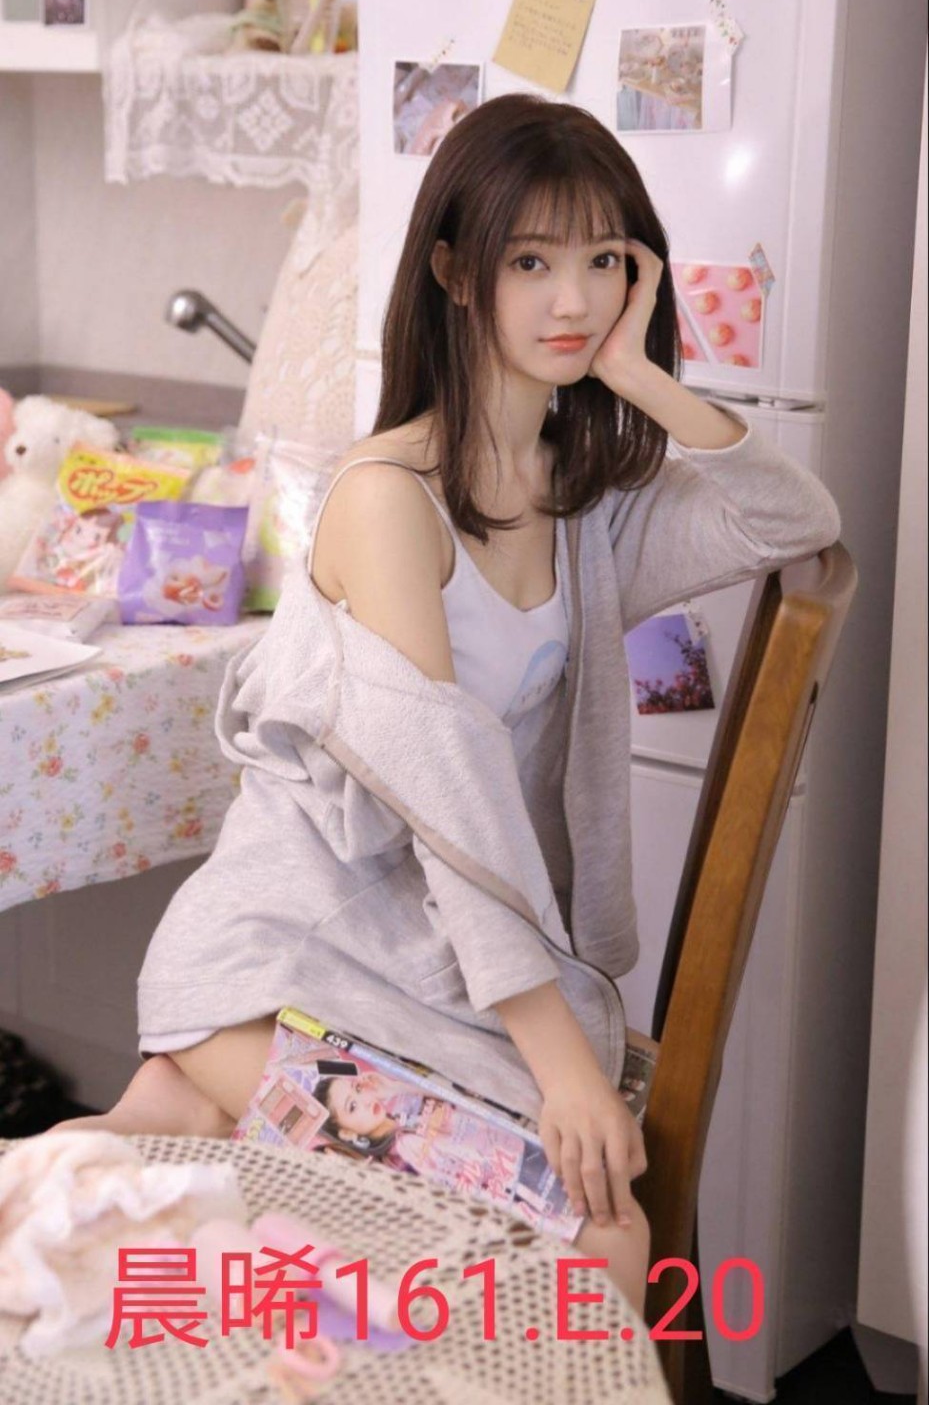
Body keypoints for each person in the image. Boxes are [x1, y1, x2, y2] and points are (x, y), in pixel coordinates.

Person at [54, 94, 841, 1313]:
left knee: (592, 1230)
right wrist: (564, 1069)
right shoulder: (387, 500)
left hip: (427, 971)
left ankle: (150, 1146)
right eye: (528, 261)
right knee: (598, 1239)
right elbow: (451, 796)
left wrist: (638, 373)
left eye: (601, 261)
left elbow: (794, 522)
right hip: (287, 962)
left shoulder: (584, 497)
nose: (571, 299)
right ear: (452, 273)